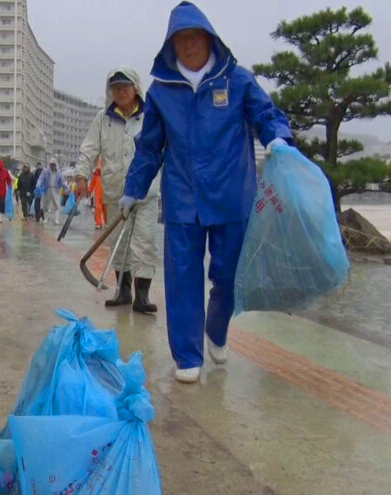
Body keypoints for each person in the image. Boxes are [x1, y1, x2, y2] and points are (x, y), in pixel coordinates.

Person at [121, 2, 293, 384]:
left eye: (194, 37)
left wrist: (277, 140)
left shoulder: (237, 80)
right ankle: (187, 356)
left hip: (232, 194)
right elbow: (150, 148)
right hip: (183, 197)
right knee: (182, 277)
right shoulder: (162, 91)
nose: (188, 46)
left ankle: (216, 328)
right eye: (180, 40)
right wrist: (133, 189)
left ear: (209, 38)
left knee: (228, 275)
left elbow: (266, 115)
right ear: (171, 45)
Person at [75, 67, 159, 314]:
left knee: (145, 243)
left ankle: (142, 296)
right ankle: (123, 291)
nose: (121, 92)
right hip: (115, 193)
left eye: (125, 86)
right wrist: (82, 175)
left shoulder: (149, 116)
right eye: (116, 87)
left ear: (136, 88)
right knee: (118, 245)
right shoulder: (103, 118)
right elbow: (89, 149)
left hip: (145, 193)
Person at [36, 159, 68, 225]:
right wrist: (38, 185)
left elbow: (62, 182)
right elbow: (40, 179)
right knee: (45, 205)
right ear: (49, 165)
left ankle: (56, 219)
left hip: (55, 190)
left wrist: (67, 188)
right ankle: (45, 219)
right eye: (51, 165)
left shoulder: (59, 173)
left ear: (56, 165)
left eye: (54, 165)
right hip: (46, 189)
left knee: (57, 205)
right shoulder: (45, 172)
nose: (52, 166)